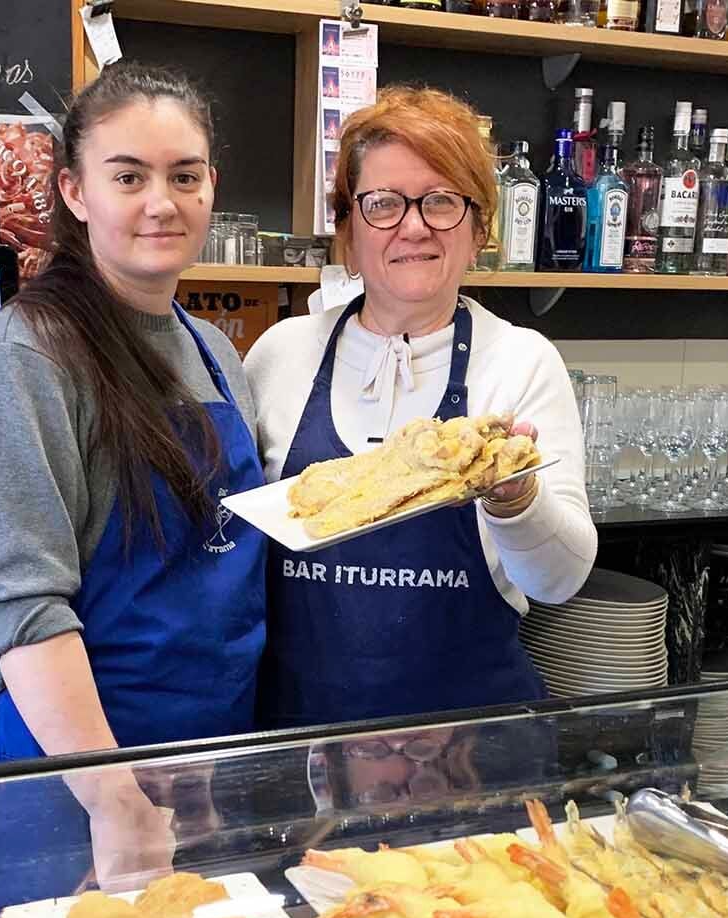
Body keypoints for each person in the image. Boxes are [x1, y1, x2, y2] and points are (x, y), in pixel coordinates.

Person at [0, 63, 265, 907]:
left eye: (183, 176)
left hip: (207, 751)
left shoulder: (215, 352)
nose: (161, 202)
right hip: (75, 767)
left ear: (210, 188)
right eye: (129, 176)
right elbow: (22, 606)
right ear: (76, 192)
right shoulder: (25, 359)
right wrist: (113, 796)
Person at [245, 86, 595, 728]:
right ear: (348, 228)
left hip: (471, 747)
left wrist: (517, 502)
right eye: (382, 204)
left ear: (480, 228)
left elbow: (559, 580)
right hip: (301, 747)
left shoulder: (521, 361)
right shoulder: (279, 355)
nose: (413, 226)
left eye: (440, 201)